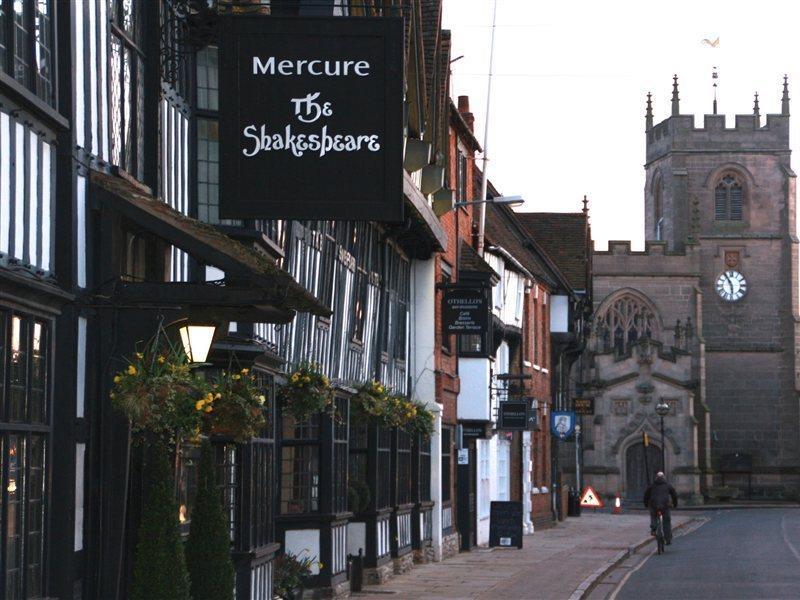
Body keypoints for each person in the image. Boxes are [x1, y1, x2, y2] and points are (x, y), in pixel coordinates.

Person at [643, 471, 678, 544]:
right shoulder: (668, 485)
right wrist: (675, 504)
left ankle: (653, 528)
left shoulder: (652, 486)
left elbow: (646, 496)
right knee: (667, 521)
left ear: (656, 478)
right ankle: (668, 539)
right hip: (665, 506)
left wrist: (646, 504)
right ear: (664, 477)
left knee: (653, 516)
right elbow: (674, 495)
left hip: (654, 506)